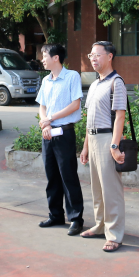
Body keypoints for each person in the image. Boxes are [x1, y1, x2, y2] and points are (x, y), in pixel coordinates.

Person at [79, 41, 127, 253]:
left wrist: (114, 146)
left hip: (107, 139)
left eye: (97, 54)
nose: (93, 58)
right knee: (97, 188)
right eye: (91, 55)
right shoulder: (94, 85)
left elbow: (120, 116)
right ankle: (100, 225)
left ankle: (114, 234)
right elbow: (90, 119)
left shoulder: (116, 82)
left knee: (111, 190)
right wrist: (85, 147)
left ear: (109, 56)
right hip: (93, 138)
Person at [35, 44, 84, 236]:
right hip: (48, 133)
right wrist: (45, 124)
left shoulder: (72, 76)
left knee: (68, 176)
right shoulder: (46, 80)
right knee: (52, 176)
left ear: (56, 57)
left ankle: (76, 218)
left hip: (64, 132)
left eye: (45, 56)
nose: (42, 59)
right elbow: (42, 105)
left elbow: (75, 104)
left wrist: (51, 119)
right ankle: (55, 215)